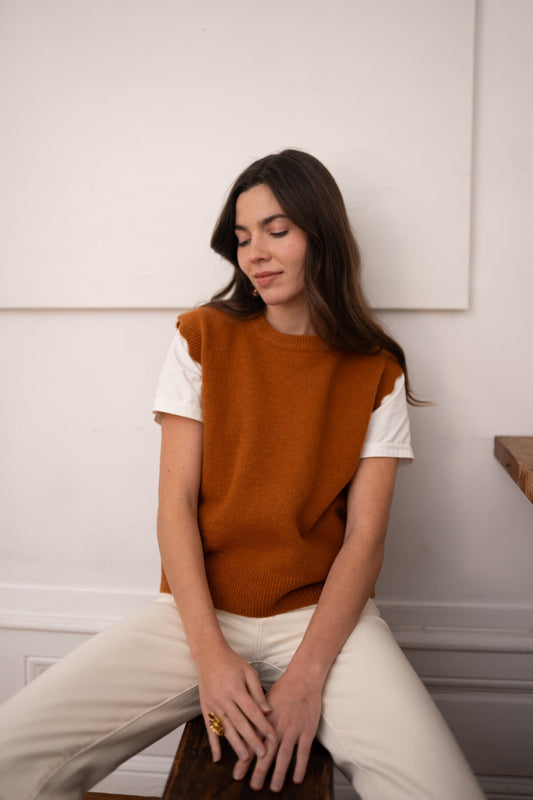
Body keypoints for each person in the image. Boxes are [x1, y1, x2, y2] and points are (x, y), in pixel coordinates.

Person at [0, 149, 484, 799]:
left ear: (322, 235)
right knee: (11, 755)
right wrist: (210, 659)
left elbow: (364, 539)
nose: (254, 251)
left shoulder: (376, 368)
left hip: (322, 621)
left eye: (277, 230)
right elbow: (174, 504)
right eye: (242, 236)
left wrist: (308, 678)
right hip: (194, 611)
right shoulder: (201, 336)